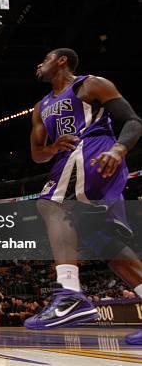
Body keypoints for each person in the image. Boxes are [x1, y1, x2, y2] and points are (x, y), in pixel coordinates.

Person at [27, 48, 142, 331]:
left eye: (46, 59)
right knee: (103, 241)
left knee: (51, 204)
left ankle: (69, 293)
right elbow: (36, 155)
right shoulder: (40, 107)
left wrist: (119, 149)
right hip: (68, 161)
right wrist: (52, 147)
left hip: (94, 151)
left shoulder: (90, 84)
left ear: (62, 60)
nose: (40, 64)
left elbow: (133, 121)